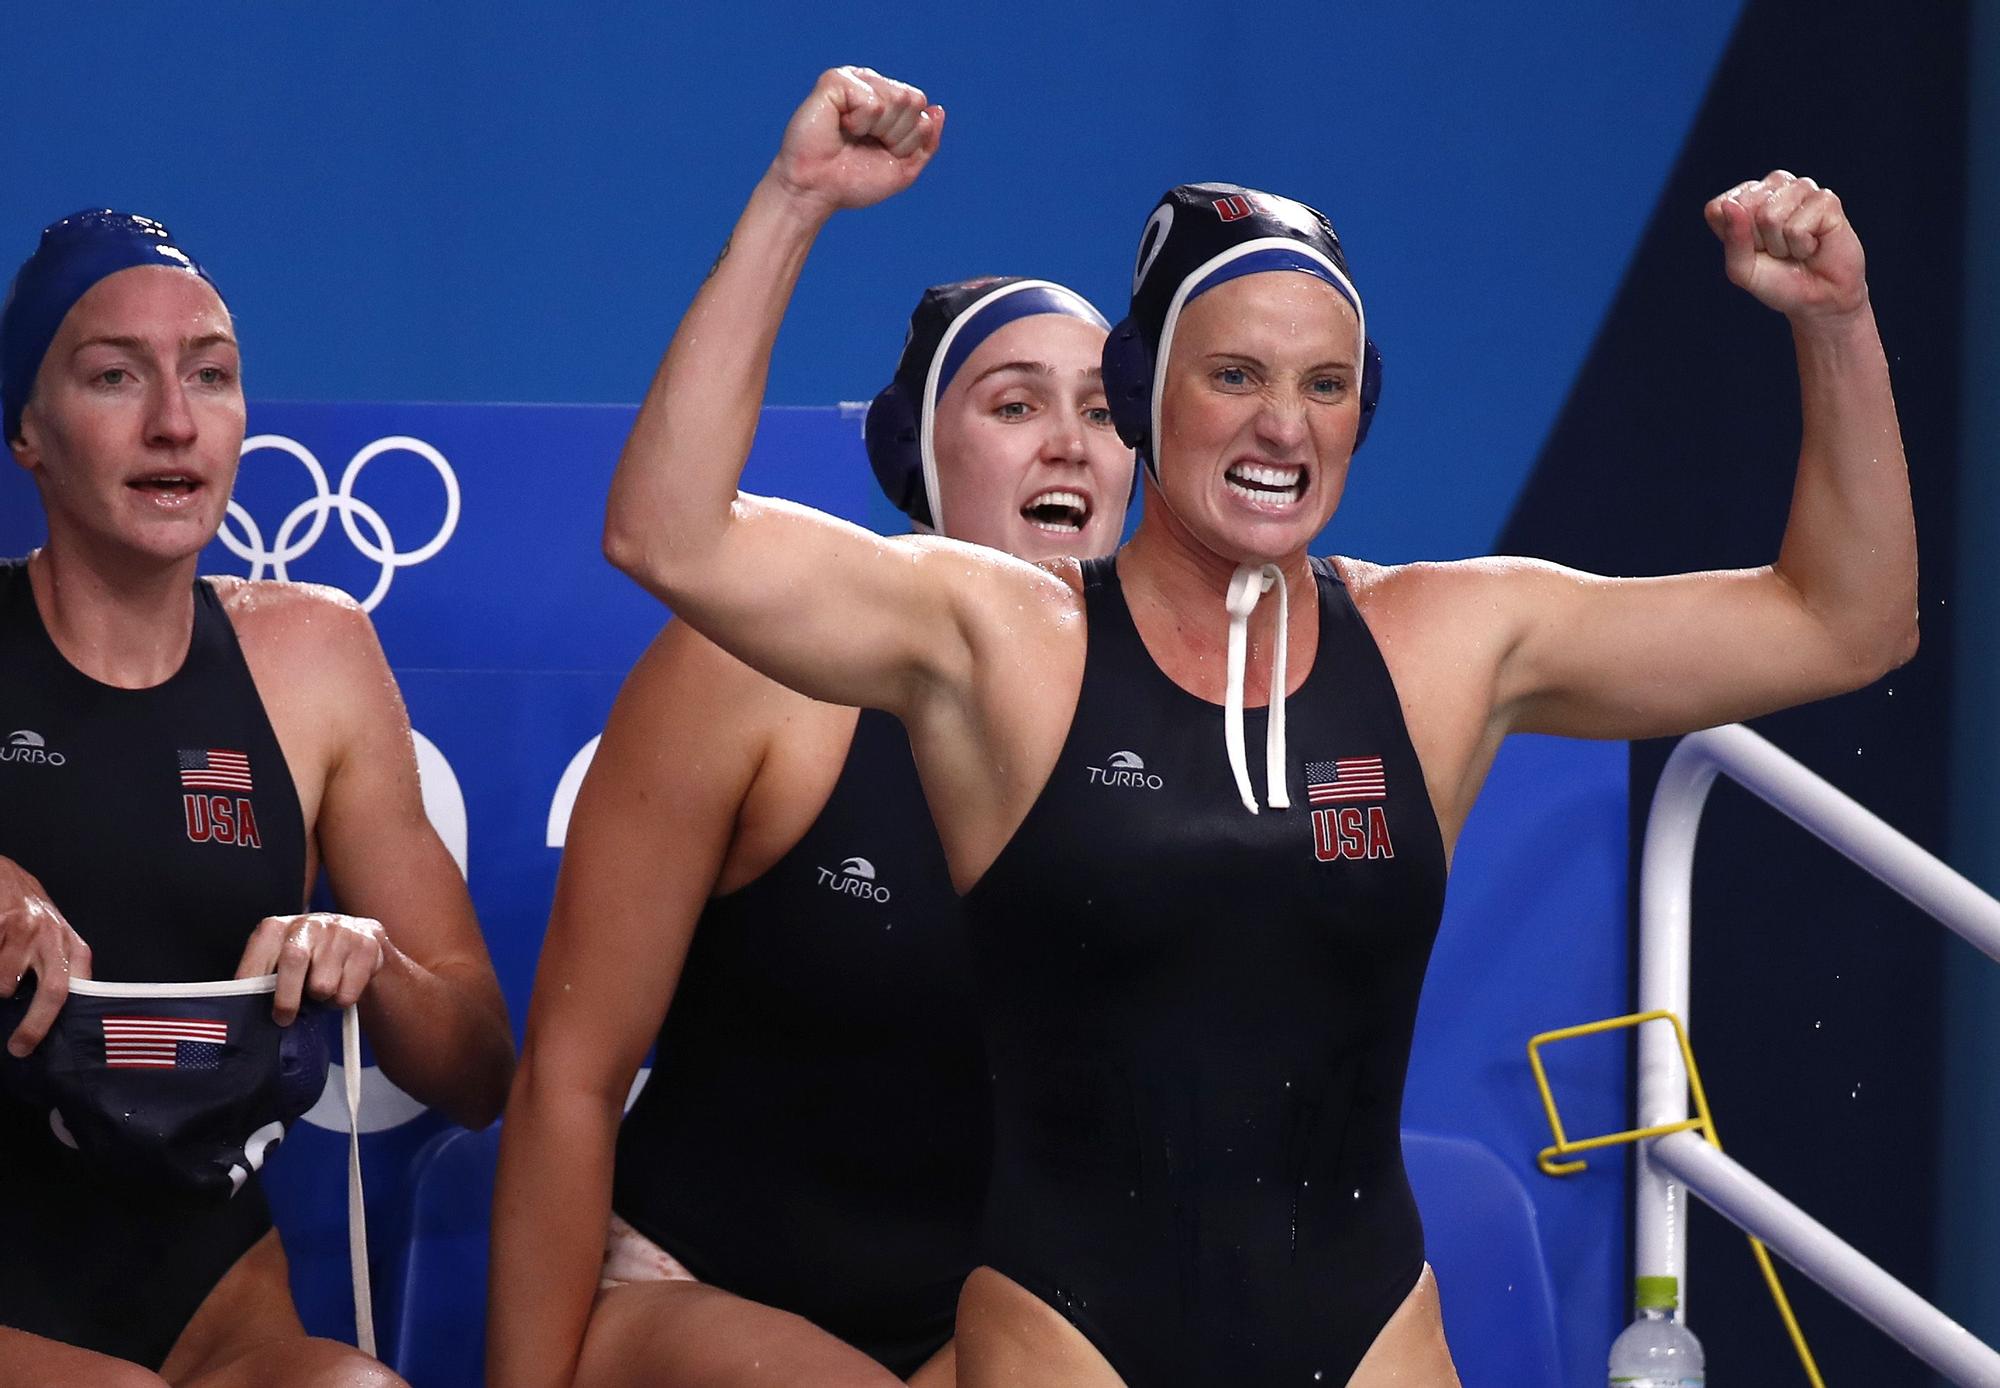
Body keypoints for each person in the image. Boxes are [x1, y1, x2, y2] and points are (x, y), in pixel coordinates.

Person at [600, 67, 1915, 1388]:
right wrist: (794, 202)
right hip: (1069, 1334)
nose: (1283, 424)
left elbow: (1849, 623)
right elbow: (670, 533)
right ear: (1144, 391)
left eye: (1325, 384)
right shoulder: (1009, 639)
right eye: (1234, 374)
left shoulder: (1448, 643)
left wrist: (1838, 321)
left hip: (1366, 1330)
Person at [488, 269, 1133, 1388]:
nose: (1069, 443)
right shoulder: (754, 675)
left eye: (1102, 410)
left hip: (973, 1331)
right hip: (684, 1292)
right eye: (1015, 404)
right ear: (921, 461)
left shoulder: (1168, 742)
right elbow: (568, 1077)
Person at [0, 210, 516, 1386]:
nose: (174, 421)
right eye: (114, 375)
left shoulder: (313, 657)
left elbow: (481, 1067)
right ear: (27, 428)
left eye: (212, 375)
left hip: (211, 1303)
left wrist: (370, 956)